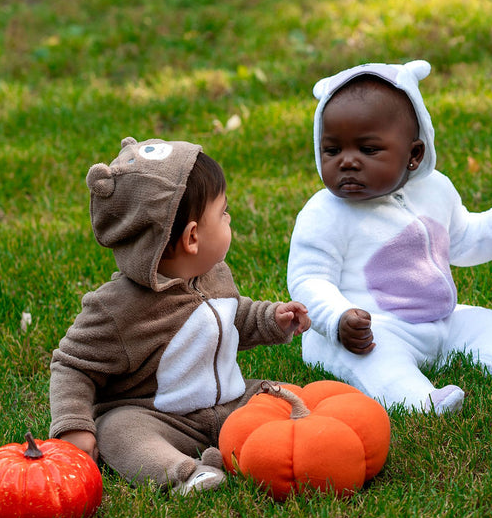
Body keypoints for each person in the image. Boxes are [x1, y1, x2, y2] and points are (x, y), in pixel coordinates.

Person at [287, 60, 492, 414]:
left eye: (368, 150)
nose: (347, 162)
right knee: (378, 361)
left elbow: (463, 240)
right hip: (367, 331)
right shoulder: (325, 213)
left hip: (439, 319)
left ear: (414, 155)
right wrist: (338, 319)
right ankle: (419, 400)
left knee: (491, 322)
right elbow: (309, 279)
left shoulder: (435, 189)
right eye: (332, 150)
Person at [49, 138, 311, 494]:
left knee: (286, 399)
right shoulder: (116, 309)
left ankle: (276, 448)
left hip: (231, 402)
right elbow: (73, 365)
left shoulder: (215, 275)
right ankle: (184, 473)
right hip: (158, 417)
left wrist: (272, 318)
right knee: (119, 431)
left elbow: (234, 317)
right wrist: (73, 425)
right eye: (224, 213)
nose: (230, 218)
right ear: (192, 238)